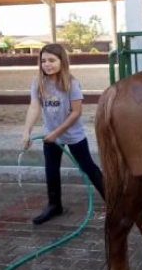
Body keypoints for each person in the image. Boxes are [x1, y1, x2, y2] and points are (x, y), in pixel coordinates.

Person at [21, 43, 105, 225]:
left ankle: (113, 201)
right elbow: (34, 106)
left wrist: (56, 133)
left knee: (88, 167)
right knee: (51, 169)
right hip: (50, 135)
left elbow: (76, 112)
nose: (47, 64)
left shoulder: (71, 83)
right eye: (43, 61)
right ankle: (54, 205)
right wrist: (26, 131)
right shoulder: (38, 83)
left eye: (52, 60)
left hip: (73, 134)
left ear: (62, 61)